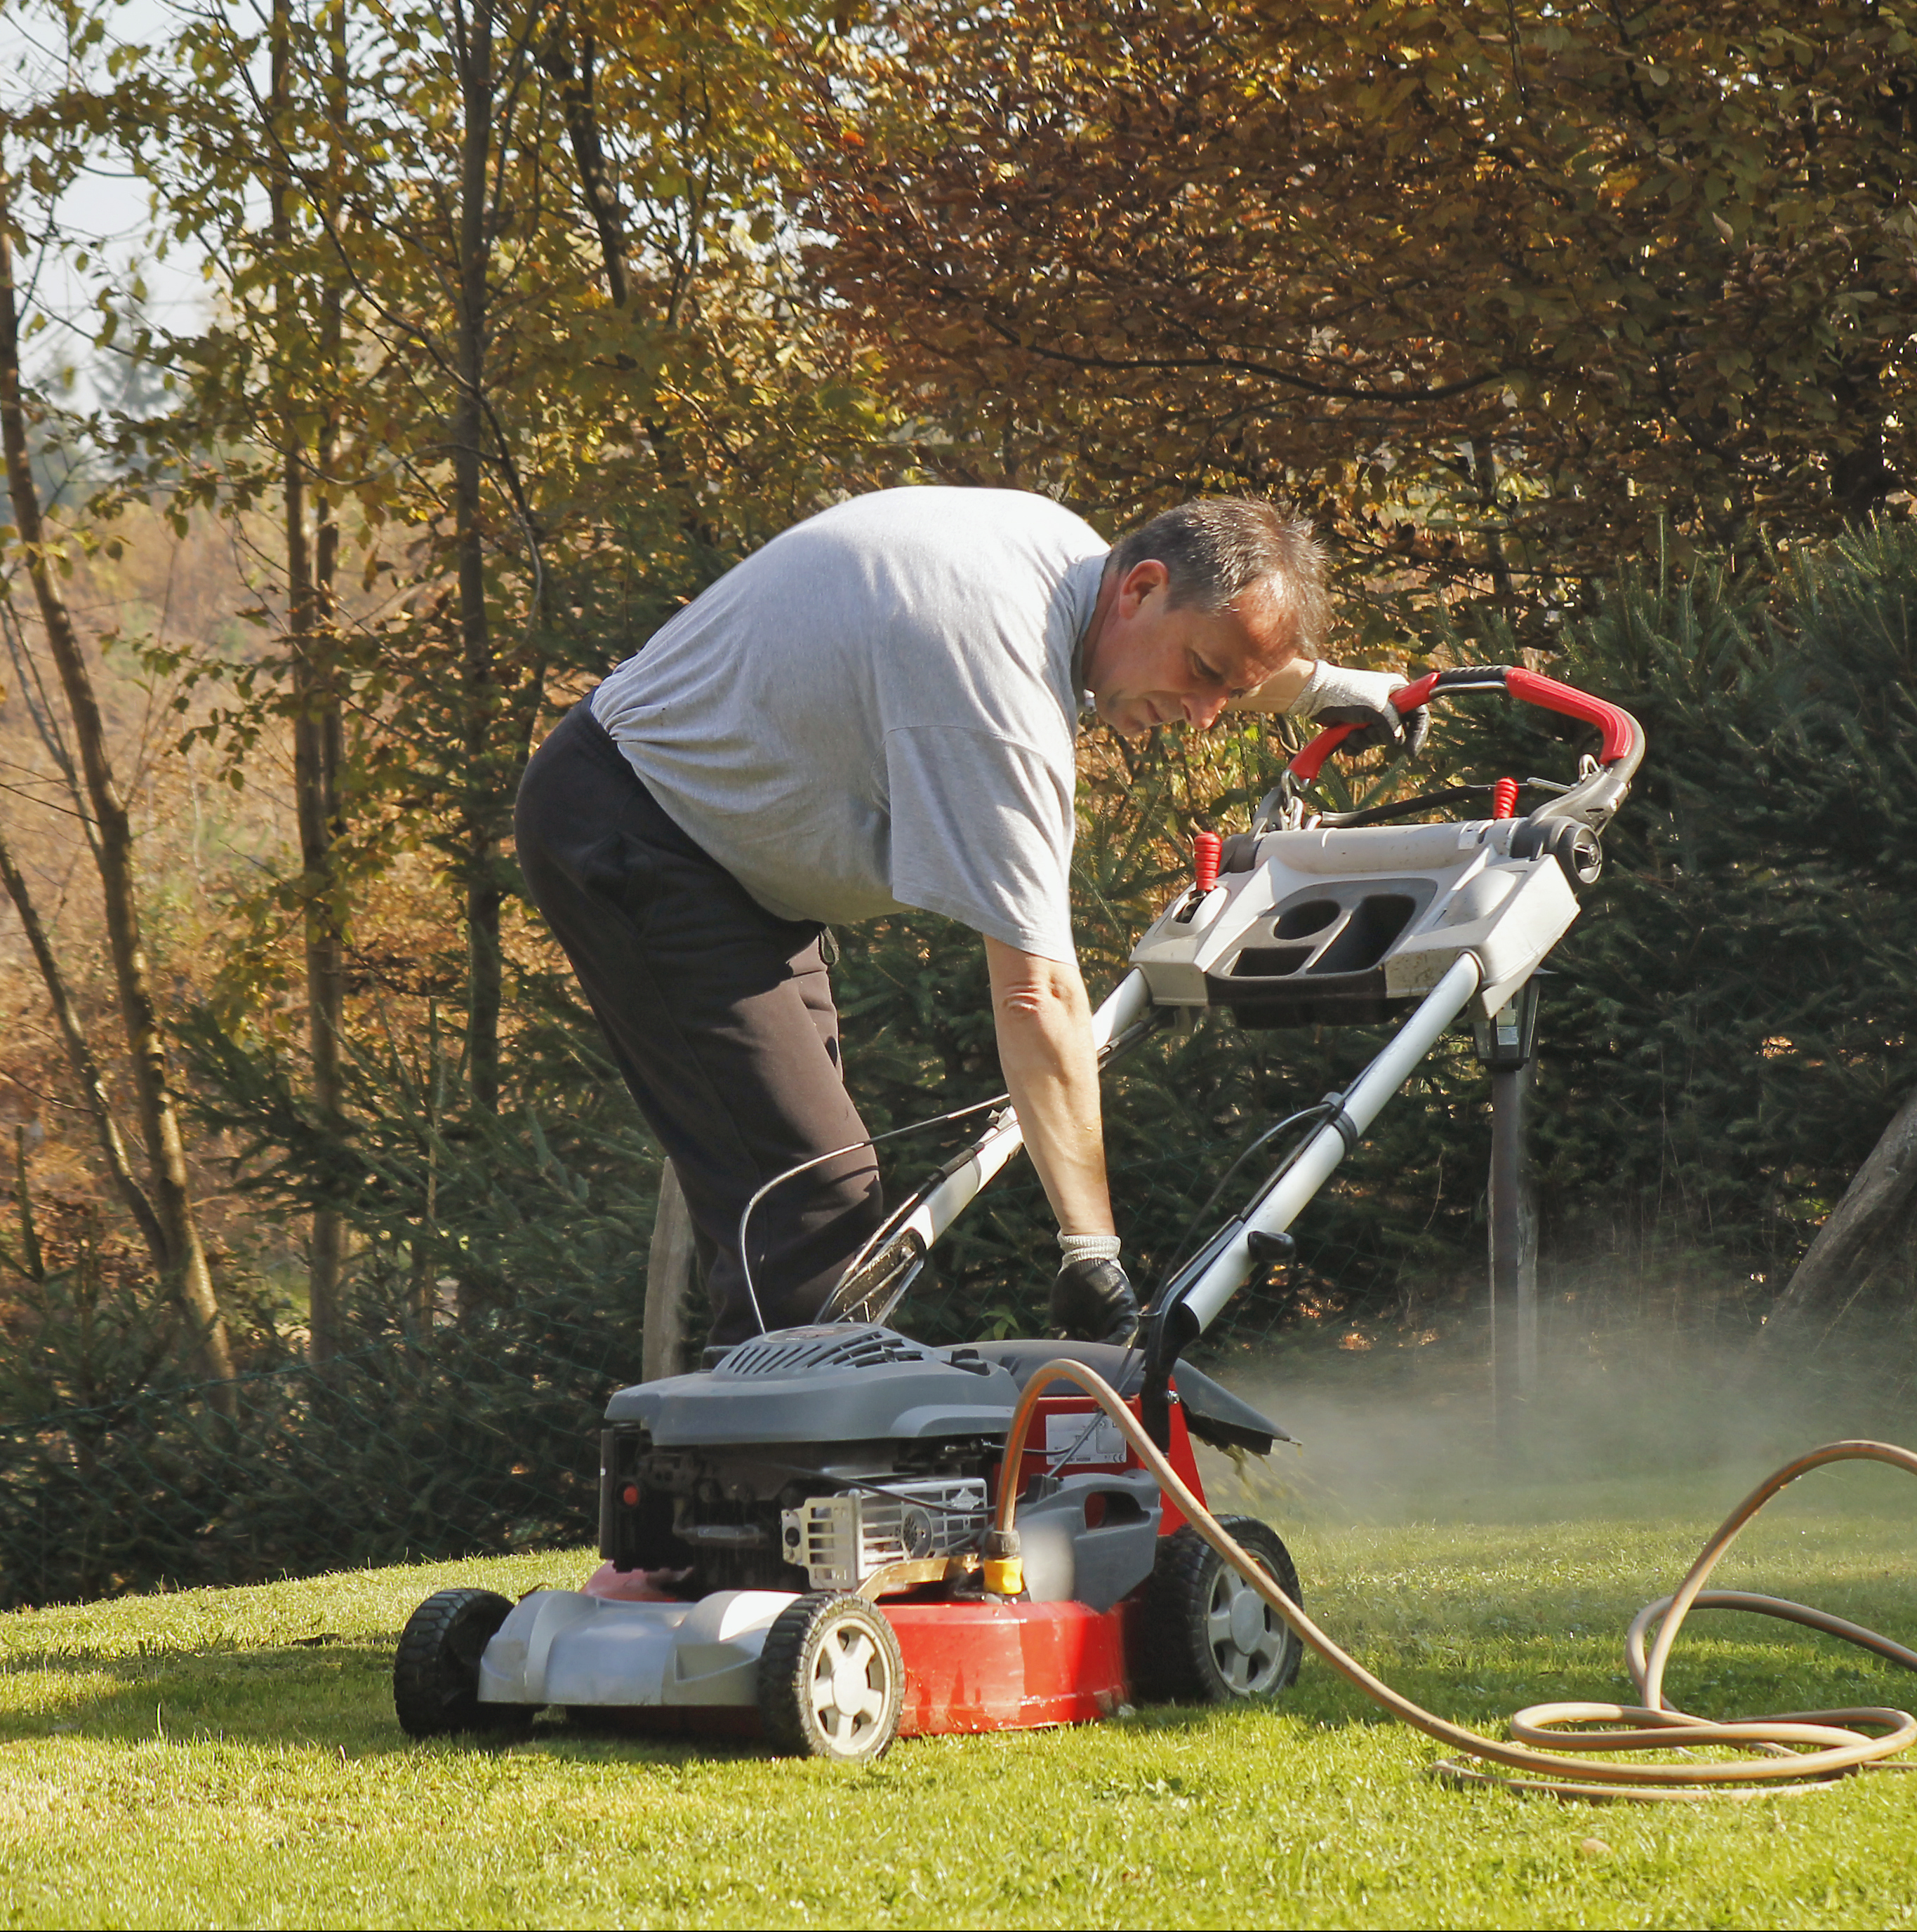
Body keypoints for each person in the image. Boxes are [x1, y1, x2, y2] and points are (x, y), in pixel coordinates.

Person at [515, 486, 1417, 1356]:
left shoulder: (1067, 553)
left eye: (1231, 692)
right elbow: (1037, 994)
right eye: (1204, 677)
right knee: (808, 1198)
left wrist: (1326, 687)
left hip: (726, 857)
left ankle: (781, 1470)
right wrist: (1091, 1250)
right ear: (1139, 587)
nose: (1204, 716)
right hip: (638, 830)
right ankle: (780, 1498)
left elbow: (1218, 644)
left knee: (793, 1193)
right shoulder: (1000, 699)